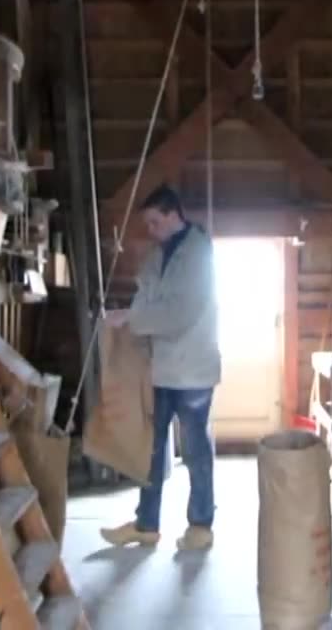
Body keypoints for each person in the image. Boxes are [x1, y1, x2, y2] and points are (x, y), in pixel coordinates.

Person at [100, 185, 221, 552]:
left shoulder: (199, 254)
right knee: (150, 447)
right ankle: (146, 523)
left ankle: (200, 524)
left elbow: (177, 315)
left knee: (195, 448)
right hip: (163, 368)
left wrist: (130, 318)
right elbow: (145, 297)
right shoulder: (157, 255)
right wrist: (130, 316)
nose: (150, 230)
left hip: (193, 370)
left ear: (173, 215)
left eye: (155, 222)